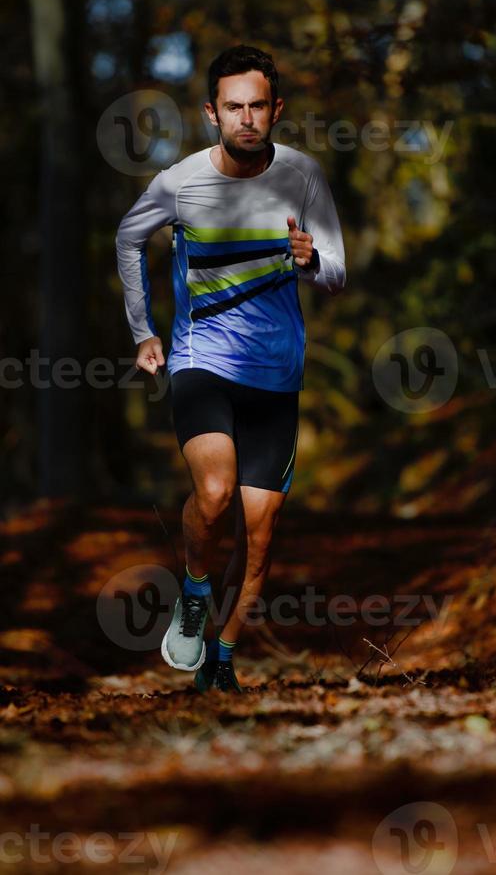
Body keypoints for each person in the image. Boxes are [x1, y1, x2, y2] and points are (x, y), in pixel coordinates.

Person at [115, 44, 346, 693]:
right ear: (212, 113)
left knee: (261, 533)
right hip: (201, 361)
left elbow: (336, 273)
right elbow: (129, 238)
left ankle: (222, 655)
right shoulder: (181, 182)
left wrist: (311, 262)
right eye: (234, 107)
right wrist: (143, 332)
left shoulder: (302, 177)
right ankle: (193, 588)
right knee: (213, 495)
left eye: (258, 107)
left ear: (278, 110)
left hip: (277, 376)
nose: (247, 118)